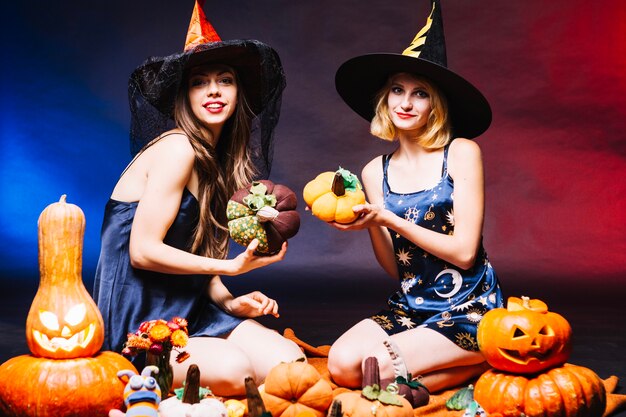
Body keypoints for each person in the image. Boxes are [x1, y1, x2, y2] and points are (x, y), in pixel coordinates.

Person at [93, 1, 303, 397]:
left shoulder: (220, 164)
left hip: (192, 306)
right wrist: (232, 266)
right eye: (198, 82)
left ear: (239, 92)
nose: (213, 91)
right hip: (140, 320)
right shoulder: (178, 148)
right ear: (183, 96)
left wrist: (230, 300)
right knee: (236, 372)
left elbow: (197, 258)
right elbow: (142, 252)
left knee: (289, 364)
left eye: (225, 80)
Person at [326, 0, 504, 393]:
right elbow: (396, 269)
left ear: (434, 105)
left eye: (419, 93)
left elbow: (463, 254)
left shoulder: (460, 153)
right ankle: (461, 369)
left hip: (468, 307)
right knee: (341, 366)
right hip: (410, 306)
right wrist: (371, 224)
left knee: (374, 367)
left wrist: (390, 219)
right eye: (397, 90)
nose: (405, 103)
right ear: (385, 100)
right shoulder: (375, 172)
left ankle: (481, 356)